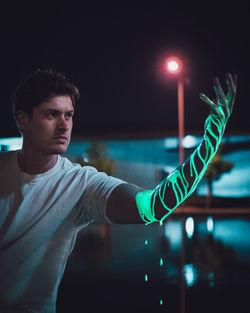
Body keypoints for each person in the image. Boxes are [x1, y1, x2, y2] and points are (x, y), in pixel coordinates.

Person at [0, 69, 237, 313]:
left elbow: (152, 206)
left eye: (69, 115)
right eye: (52, 114)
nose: (64, 125)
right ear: (23, 120)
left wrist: (209, 145)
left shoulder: (81, 184)